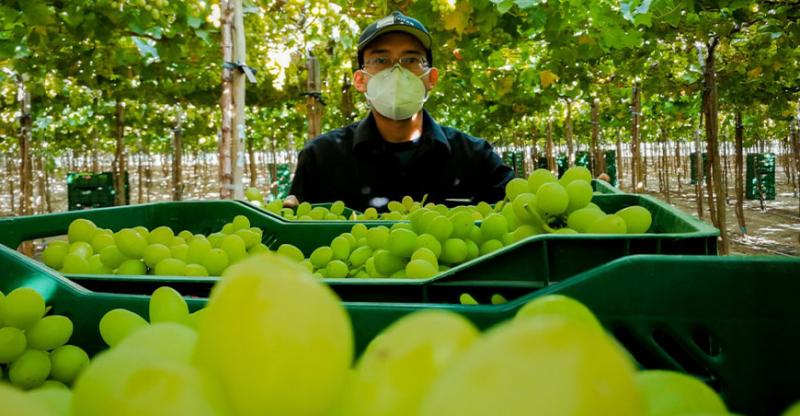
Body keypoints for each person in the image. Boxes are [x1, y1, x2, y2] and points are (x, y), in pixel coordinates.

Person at [285, 11, 513, 212]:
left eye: (411, 59)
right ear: (360, 80)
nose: (396, 71)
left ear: (431, 78)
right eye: (381, 59)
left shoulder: (476, 157)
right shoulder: (321, 158)